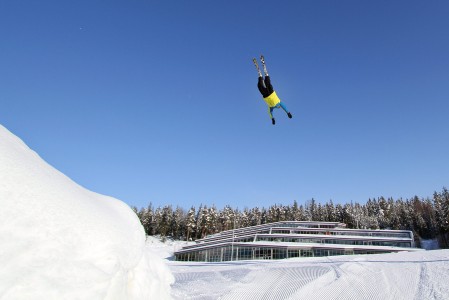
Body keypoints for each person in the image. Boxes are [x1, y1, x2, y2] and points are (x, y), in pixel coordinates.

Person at [255, 56, 292, 125]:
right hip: (271, 93)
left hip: (265, 95)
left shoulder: (270, 107)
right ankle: (265, 72)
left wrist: (272, 118)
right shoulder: (279, 102)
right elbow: (284, 107)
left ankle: (260, 75)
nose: (277, 107)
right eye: (278, 107)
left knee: (259, 86)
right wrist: (288, 113)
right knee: (267, 82)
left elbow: (270, 112)